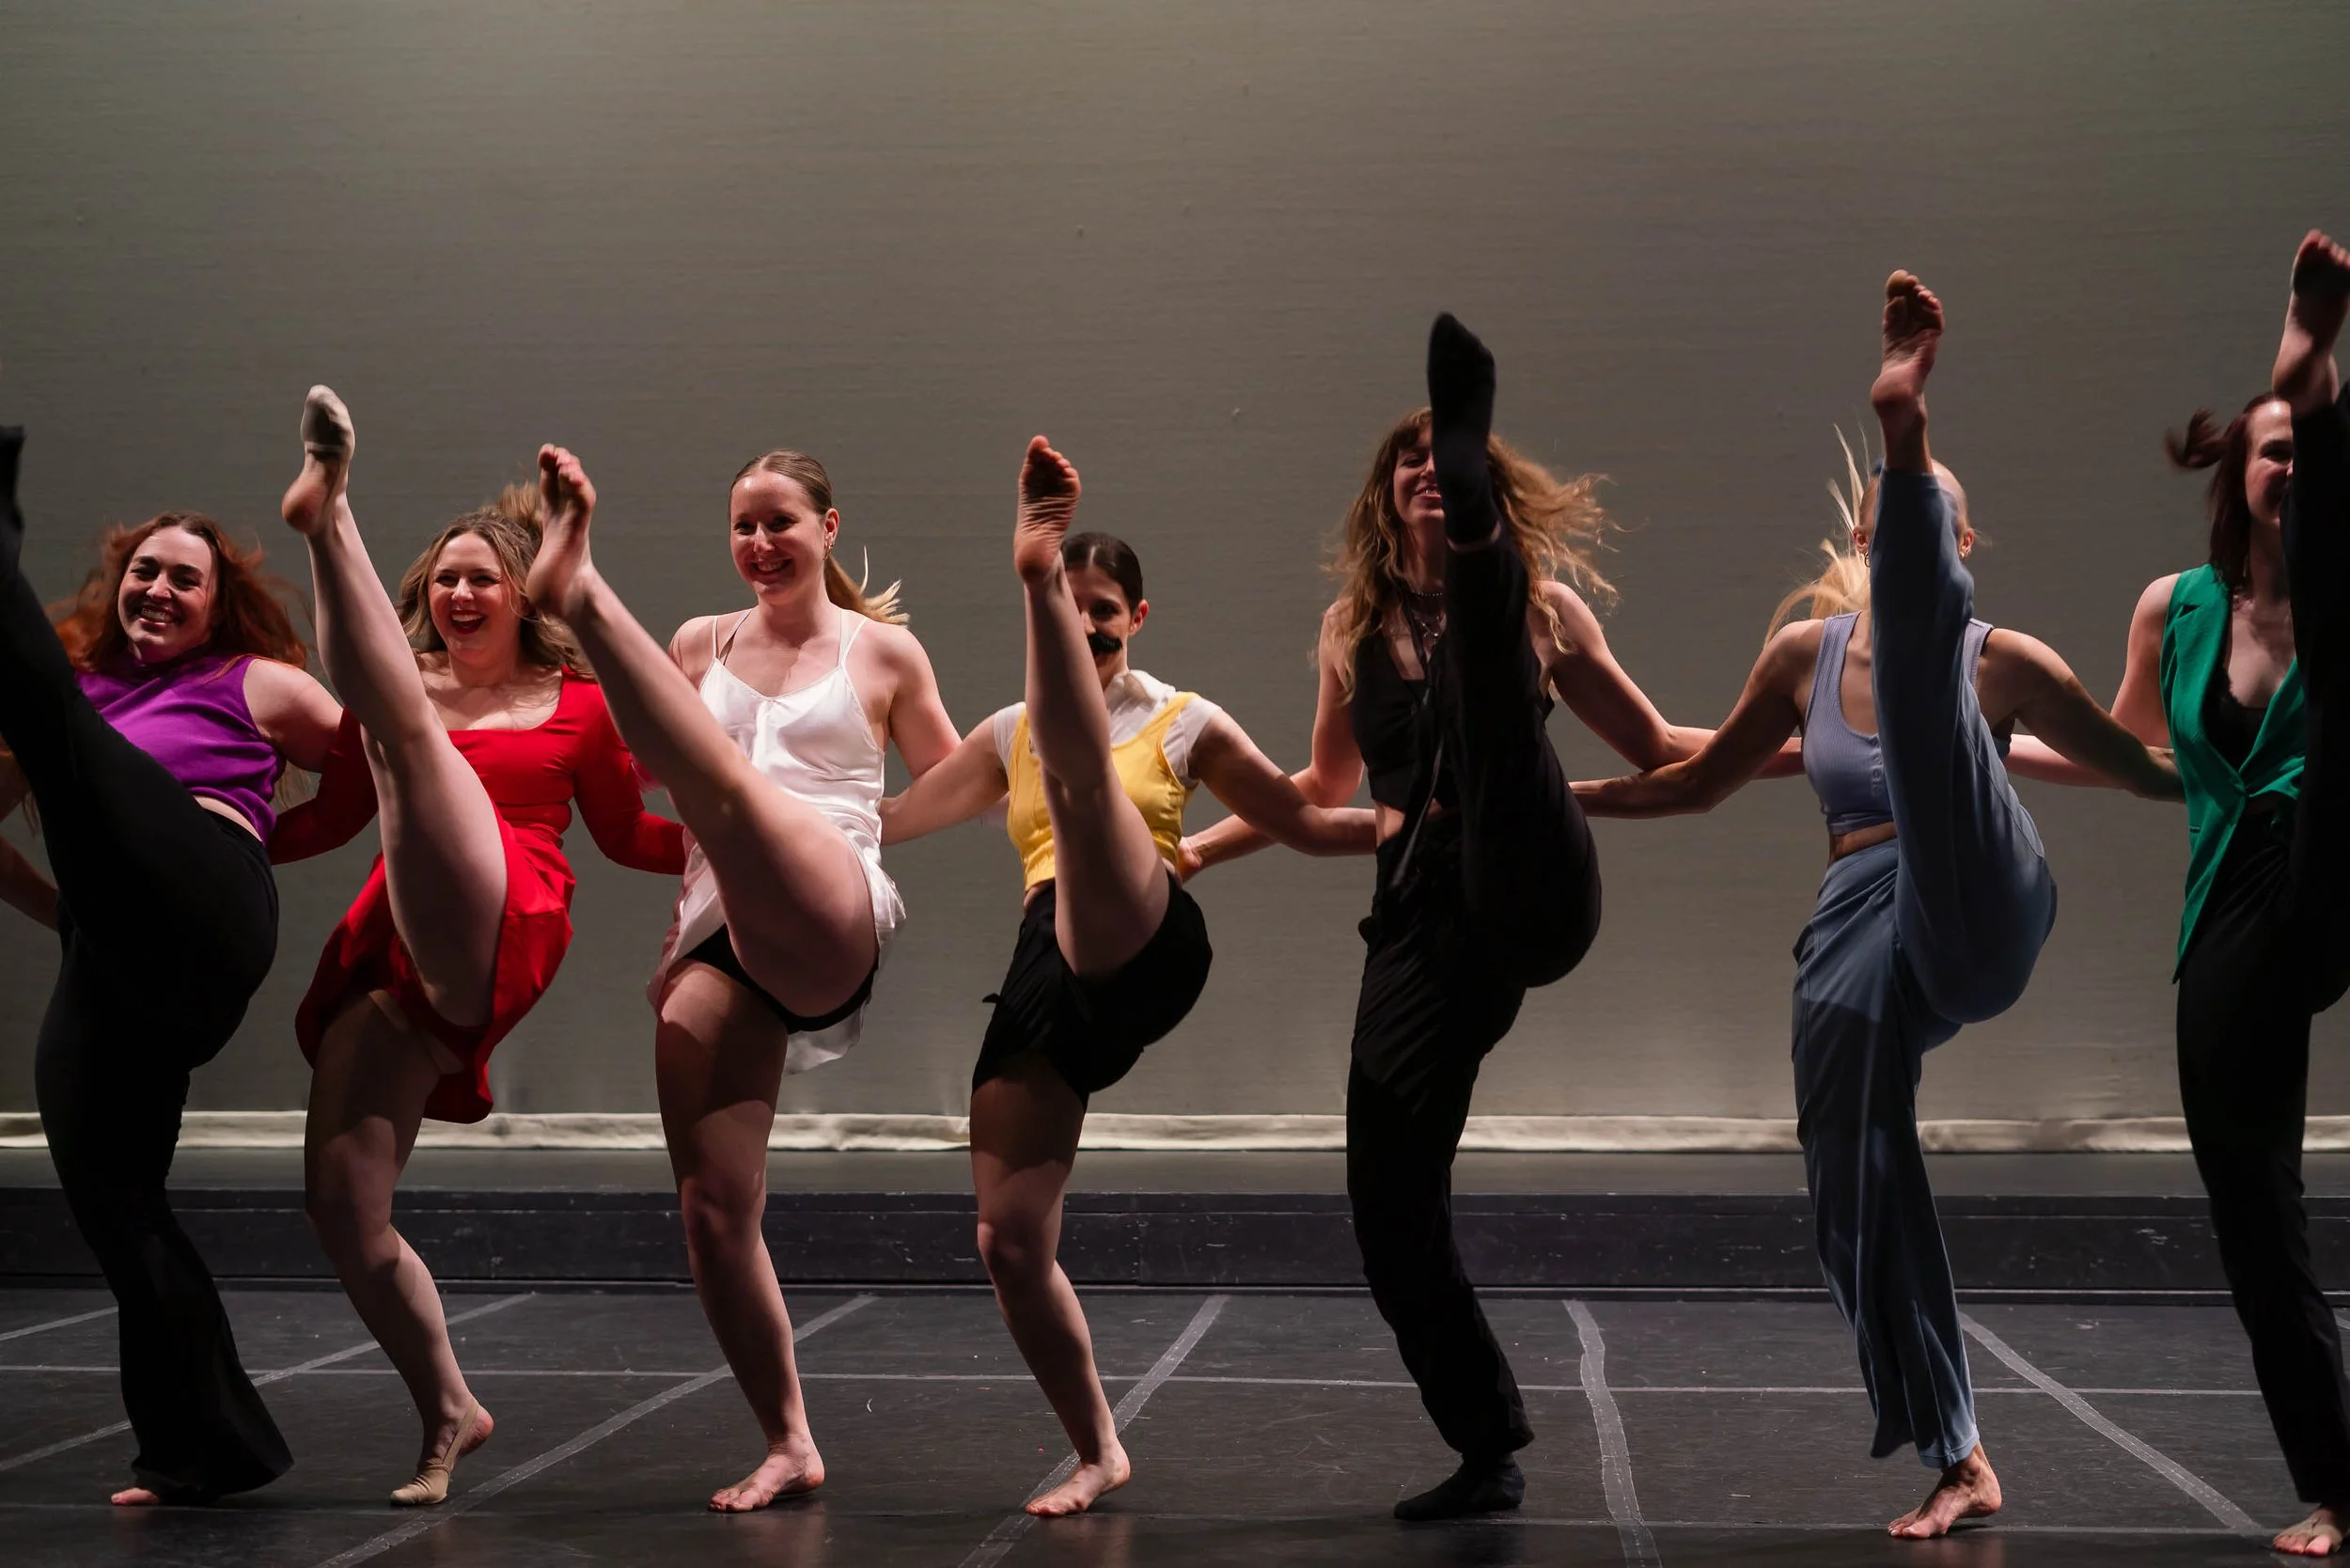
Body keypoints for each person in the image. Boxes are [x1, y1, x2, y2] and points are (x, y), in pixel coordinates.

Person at [1575, 273, 2178, 1538]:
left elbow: (2135, 771)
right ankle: (1959, 1453)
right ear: (1865, 539)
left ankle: (1905, 419)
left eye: (1932, 526)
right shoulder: (1800, 663)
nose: (1905, 544)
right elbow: (1690, 784)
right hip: (1866, 919)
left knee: (1929, 695)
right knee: (1853, 1172)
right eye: (1892, 522)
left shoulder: (2003, 661)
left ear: (1957, 552)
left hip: (1975, 881)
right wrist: (1551, 803)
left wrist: (2262, 788)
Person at [1184, 317, 1714, 1520]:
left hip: (1531, 868)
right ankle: (1485, 1442)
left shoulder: (1549, 616)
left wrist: (1827, 744)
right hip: (1424, 915)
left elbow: (1667, 753)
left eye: (1447, 458)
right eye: (1412, 462)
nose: (1422, 468)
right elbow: (1321, 794)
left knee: (1494, 709)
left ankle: (1487, 563)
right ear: (1386, 497)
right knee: (1385, 1197)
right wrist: (1201, 847)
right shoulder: (1347, 630)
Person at [881, 457, 1375, 1515]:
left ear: (1136, 618)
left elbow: (1313, 822)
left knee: (1078, 778)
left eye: (1096, 614)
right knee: (1007, 1243)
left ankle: (1029, 567)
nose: (1089, 630)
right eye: (1067, 610)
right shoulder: (1007, 734)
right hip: (1047, 961)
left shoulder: (1183, 719)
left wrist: (1463, 817)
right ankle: (1099, 1446)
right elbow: (877, 824)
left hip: (1146, 938)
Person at [524, 442, 961, 1511]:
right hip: (720, 919)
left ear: (828, 527)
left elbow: (957, 782)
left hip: (831, 903)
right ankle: (789, 1439)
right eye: (744, 527)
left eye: (780, 523)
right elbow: (653, 776)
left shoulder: (883, 653)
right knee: (713, 1211)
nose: (760, 544)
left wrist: (866, 828)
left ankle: (575, 591)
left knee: (726, 788)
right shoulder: (700, 643)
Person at [273, 388, 686, 1505]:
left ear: (518, 598)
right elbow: (328, 819)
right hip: (395, 933)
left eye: (479, 579)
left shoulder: (577, 705)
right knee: (343, 1215)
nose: (458, 594)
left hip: (511, 905)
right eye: (442, 580)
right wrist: (207, 849)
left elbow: (629, 835)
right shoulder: (403, 691)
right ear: (424, 597)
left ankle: (329, 516)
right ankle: (451, 1406)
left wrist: (741, 845)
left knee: (401, 720)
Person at [2003, 230, 2350, 1557]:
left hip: (2335, 855)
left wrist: (2311, 375)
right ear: (2235, 471)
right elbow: (2136, 755)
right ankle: (2339, 1481)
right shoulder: (2175, 610)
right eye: (2276, 445)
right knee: (2255, 1217)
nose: (2292, 470)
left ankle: (2305, 343)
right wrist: (1979, 749)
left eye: (2311, 444)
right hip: (2238, 918)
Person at [0, 427, 341, 1503]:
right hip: (111, 951)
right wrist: (62, 912)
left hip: (205, 908)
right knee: (117, 1205)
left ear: (215, 601)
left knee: (46, 705)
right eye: (143, 570)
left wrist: (266, 840)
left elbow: (377, 768)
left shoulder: (259, 682)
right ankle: (206, 1446)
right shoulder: (85, 699)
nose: (156, 588)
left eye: (182, 578)